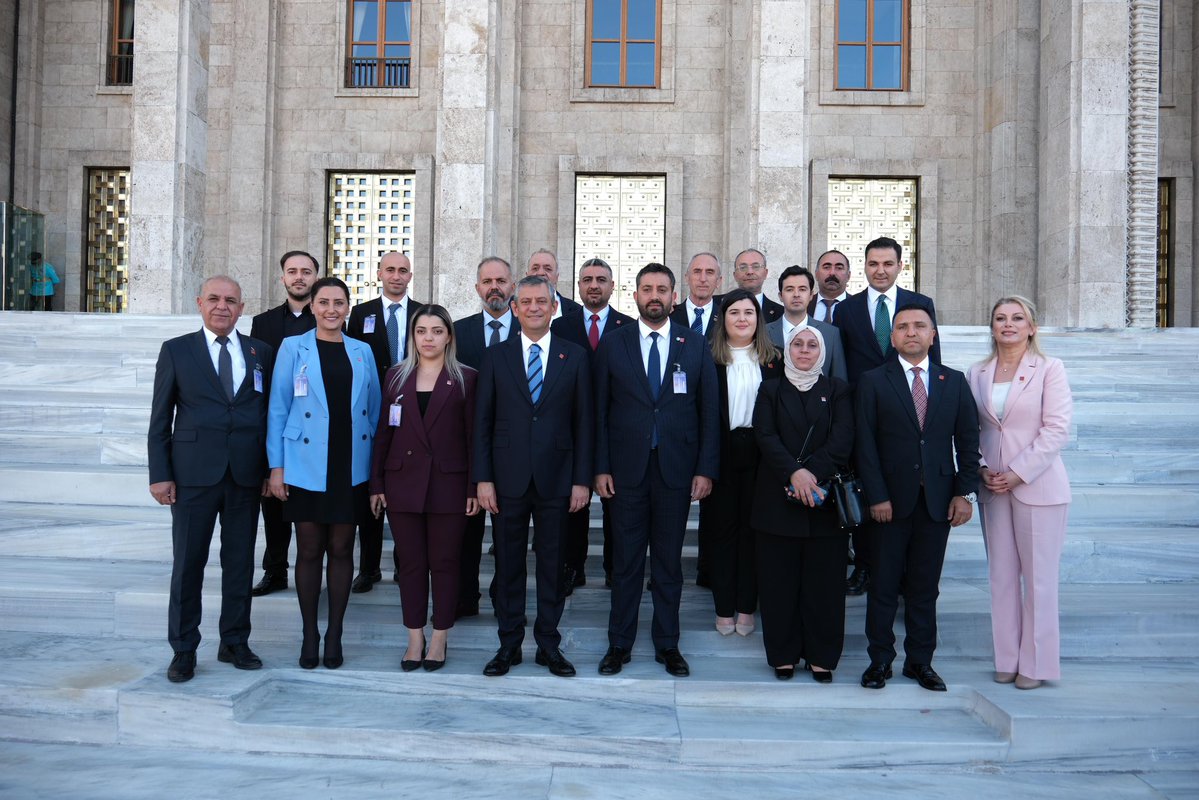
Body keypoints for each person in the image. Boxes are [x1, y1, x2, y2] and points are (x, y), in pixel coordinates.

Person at [595, 263, 719, 677]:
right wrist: (600, 468)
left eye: (662, 289)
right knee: (626, 563)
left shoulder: (695, 343)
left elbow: (708, 411)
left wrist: (705, 469)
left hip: (676, 472)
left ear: (674, 297)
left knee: (668, 564)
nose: (654, 296)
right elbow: (599, 412)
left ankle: (668, 644)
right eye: (647, 289)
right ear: (634, 296)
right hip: (626, 471)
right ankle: (619, 643)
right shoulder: (614, 344)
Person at [148, 275, 273, 683]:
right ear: (200, 303)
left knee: (239, 563)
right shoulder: (177, 350)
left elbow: (270, 414)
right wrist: (160, 474)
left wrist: (272, 469)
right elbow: (160, 419)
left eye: (232, 301)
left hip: (244, 475)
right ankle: (184, 649)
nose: (223, 307)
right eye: (215, 299)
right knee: (188, 565)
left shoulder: (260, 352)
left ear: (242, 307)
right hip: (193, 477)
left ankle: (234, 640)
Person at [855, 305, 980, 692]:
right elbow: (865, 445)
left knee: (925, 588)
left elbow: (969, 443)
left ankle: (920, 662)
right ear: (892, 338)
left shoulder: (955, 382)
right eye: (903, 327)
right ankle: (880, 661)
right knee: (884, 586)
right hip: (888, 503)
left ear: (933, 335)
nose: (911, 332)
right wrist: (876, 495)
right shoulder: (873, 381)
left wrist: (964, 492)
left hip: (938, 503)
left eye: (919, 326)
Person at [474, 276, 594, 678]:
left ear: (554, 307)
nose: (534, 308)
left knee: (552, 565)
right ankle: (509, 645)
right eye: (525, 302)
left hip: (558, 480)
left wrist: (582, 480)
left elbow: (584, 424)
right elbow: (483, 423)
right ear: (514, 308)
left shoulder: (574, 356)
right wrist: (483, 478)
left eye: (541, 301)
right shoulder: (495, 357)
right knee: (508, 566)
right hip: (506, 480)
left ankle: (548, 644)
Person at [267, 277, 381, 670]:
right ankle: (309, 633)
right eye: (324, 302)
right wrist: (276, 467)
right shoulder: (291, 347)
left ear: (349, 307)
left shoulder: (362, 351)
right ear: (312, 306)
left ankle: (335, 633)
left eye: (339, 302)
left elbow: (375, 410)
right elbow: (278, 409)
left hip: (351, 463)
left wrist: (377, 473)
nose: (332, 309)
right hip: (304, 462)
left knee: (342, 549)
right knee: (310, 549)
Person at [966, 296, 1072, 690]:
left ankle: (1037, 663)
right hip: (992, 487)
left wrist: (1018, 473)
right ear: (991, 327)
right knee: (1001, 577)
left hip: (1038, 486)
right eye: (1000, 318)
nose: (1007, 324)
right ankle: (1008, 658)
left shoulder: (1049, 369)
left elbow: (1056, 429)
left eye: (1017, 318)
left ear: (1032, 327)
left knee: (1039, 580)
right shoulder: (976, 373)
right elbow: (969, 429)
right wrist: (980, 467)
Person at [370, 305, 478, 672]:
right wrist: (377, 483)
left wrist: (473, 488)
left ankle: (439, 637)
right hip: (403, 484)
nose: (428, 338)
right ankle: (414, 636)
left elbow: (472, 439)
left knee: (445, 564)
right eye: (421, 331)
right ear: (412, 336)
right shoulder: (395, 378)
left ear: (449, 336)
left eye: (436, 331)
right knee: (411, 564)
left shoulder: (466, 378)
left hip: (449, 485)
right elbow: (383, 434)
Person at [834, 236, 940, 597]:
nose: (880, 270)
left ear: (899, 266)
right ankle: (864, 566)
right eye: (873, 264)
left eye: (888, 264)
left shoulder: (919, 304)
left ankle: (907, 577)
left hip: (909, 415)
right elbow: (842, 365)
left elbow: (932, 360)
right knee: (866, 490)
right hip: (863, 412)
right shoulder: (846, 310)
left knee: (908, 493)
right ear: (864, 267)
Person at [751, 326, 853, 681]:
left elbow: (842, 440)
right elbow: (764, 434)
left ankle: (822, 656)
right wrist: (794, 473)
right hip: (777, 498)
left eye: (812, 345)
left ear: (822, 352)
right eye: (798, 344)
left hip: (824, 501)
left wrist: (810, 475)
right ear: (787, 350)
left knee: (823, 586)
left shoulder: (838, 390)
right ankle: (783, 655)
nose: (805, 350)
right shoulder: (771, 388)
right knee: (779, 584)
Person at [550, 257, 635, 592]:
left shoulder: (628, 327)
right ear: (579, 286)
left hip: (617, 431)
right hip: (571, 431)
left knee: (617, 505)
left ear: (613, 286)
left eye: (601, 279)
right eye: (587, 279)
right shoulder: (561, 327)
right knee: (574, 505)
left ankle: (616, 568)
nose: (594, 285)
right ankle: (573, 567)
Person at [704, 288, 782, 638]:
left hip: (762, 455)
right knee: (722, 533)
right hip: (721, 452)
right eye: (734, 312)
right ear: (723, 319)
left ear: (758, 319)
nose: (742, 319)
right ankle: (723, 606)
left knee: (754, 533)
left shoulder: (774, 360)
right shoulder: (707, 358)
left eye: (749, 313)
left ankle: (746, 606)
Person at [347, 251, 426, 593]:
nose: (396, 276)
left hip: (412, 410)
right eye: (390, 269)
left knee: (405, 487)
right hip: (371, 408)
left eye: (403, 271)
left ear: (410, 276)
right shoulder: (361, 314)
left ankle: (402, 565)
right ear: (379, 273)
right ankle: (369, 567)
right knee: (372, 485)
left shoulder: (423, 313)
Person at [452, 256, 520, 618]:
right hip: (465, 447)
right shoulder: (458, 332)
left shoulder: (530, 328)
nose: (495, 287)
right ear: (477, 287)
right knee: (466, 533)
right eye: (487, 281)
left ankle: (504, 600)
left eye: (501, 280)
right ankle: (464, 598)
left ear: (513, 286)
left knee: (508, 536)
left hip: (513, 449)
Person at [250, 250, 319, 597]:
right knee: (273, 506)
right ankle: (275, 570)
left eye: (306, 272)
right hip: (276, 422)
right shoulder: (263, 323)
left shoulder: (324, 318)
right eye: (292, 271)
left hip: (312, 428)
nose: (299, 277)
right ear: (282, 278)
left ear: (315, 278)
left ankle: (312, 572)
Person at [766, 265, 847, 382]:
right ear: (780, 296)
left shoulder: (830, 334)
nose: (796, 294)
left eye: (802, 289)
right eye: (789, 289)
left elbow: (840, 381)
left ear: (811, 295)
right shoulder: (763, 333)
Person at [669, 252, 723, 337]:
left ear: (719, 281)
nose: (703, 279)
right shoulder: (669, 316)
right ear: (687, 278)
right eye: (697, 271)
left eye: (709, 272)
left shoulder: (725, 317)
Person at [726, 248, 783, 323]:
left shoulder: (781, 313)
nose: (749, 272)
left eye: (756, 266)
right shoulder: (718, 305)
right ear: (735, 275)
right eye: (743, 267)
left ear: (765, 273)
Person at [526, 248, 583, 320]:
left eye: (548, 269)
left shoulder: (577, 311)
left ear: (557, 277)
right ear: (527, 276)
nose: (541, 273)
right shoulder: (510, 309)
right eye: (535, 268)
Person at [808, 249, 850, 322]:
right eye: (826, 267)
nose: (832, 273)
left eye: (839, 268)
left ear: (848, 276)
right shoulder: (804, 305)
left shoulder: (860, 307)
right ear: (816, 274)